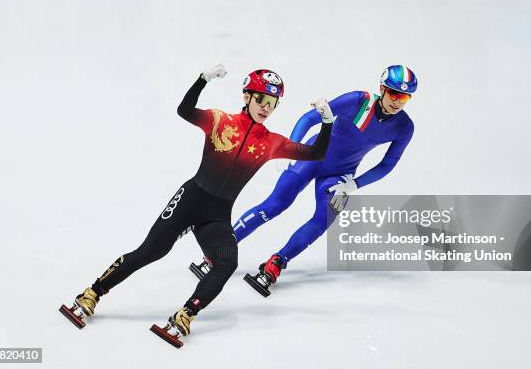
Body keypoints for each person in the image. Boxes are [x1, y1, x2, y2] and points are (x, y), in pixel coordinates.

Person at [60, 65, 335, 343]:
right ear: (246, 97)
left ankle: (186, 314)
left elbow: (315, 152)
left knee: (227, 262)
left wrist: (327, 122)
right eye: (261, 99)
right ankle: (92, 292)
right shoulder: (220, 121)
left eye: (273, 103)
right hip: (191, 200)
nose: (266, 108)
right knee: (150, 251)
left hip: (216, 216)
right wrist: (202, 80)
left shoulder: (271, 142)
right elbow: (185, 111)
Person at [191, 65, 417, 295]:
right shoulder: (358, 101)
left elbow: (388, 165)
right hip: (311, 156)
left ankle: (277, 262)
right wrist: (292, 147)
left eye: (405, 97)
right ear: (382, 89)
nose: (397, 102)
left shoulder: (404, 127)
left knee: (323, 220)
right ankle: (217, 251)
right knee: (274, 205)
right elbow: (309, 118)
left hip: (340, 175)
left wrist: (354, 184)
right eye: (394, 93)